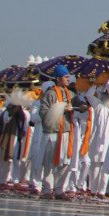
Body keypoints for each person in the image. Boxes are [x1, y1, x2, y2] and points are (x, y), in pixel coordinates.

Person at [36, 66, 77, 200]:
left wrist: (80, 107)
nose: (68, 79)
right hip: (53, 132)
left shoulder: (70, 94)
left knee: (65, 162)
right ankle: (47, 189)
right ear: (58, 79)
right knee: (49, 162)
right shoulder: (50, 93)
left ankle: (59, 189)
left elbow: (79, 105)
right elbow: (43, 112)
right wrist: (62, 108)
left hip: (66, 131)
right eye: (65, 77)